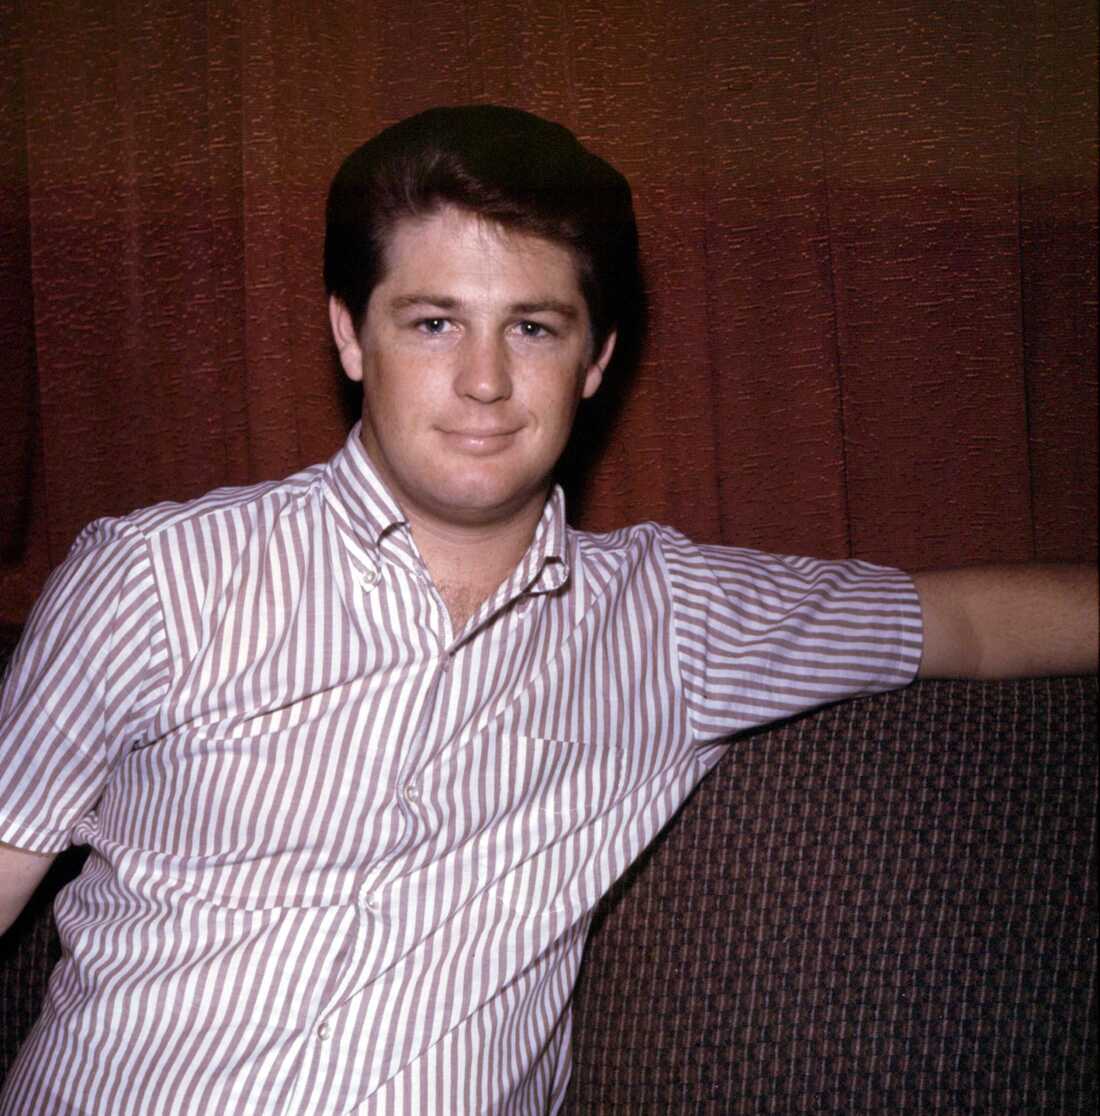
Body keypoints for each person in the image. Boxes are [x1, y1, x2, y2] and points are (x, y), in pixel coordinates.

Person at [0, 105, 1094, 1115]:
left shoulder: (673, 622)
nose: (483, 380)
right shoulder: (153, 578)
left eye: (531, 328)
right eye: (434, 322)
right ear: (350, 335)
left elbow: (970, 625)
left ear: (594, 360)